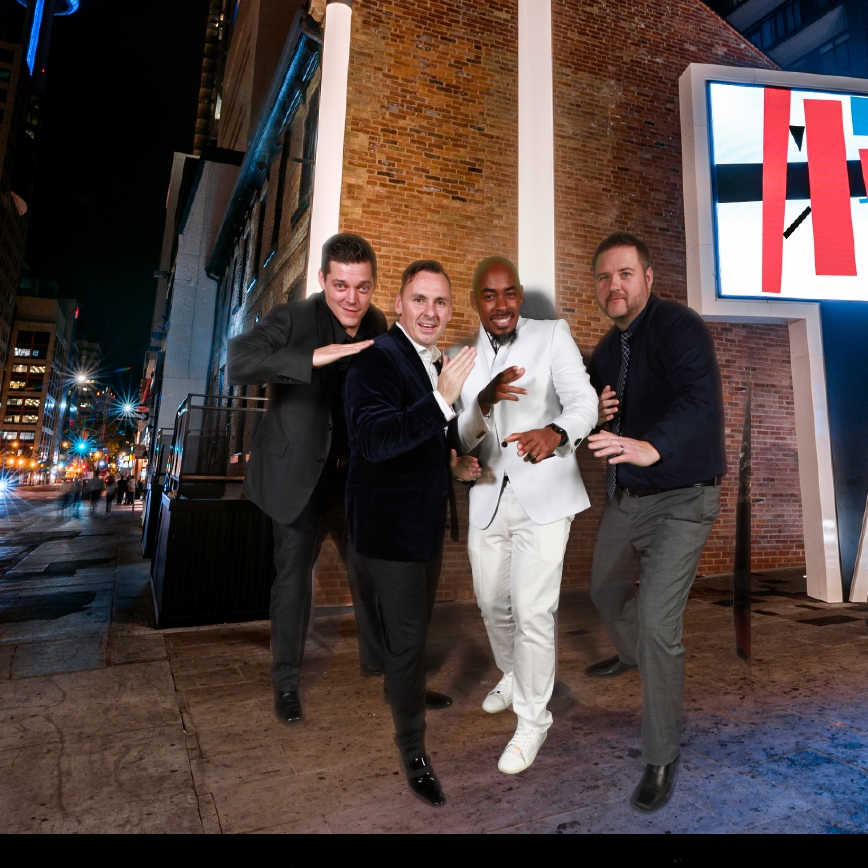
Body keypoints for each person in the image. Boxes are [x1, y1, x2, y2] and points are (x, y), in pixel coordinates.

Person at [583, 232, 726, 815]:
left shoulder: (678, 327)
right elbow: (585, 411)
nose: (613, 285)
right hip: (628, 500)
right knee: (604, 590)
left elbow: (699, 401)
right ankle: (635, 654)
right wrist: (592, 412)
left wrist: (651, 446)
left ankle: (661, 755)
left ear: (647, 277)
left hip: (682, 500)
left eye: (624, 274)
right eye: (603, 277)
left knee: (658, 624)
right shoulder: (604, 350)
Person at [227, 233, 395, 727]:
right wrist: (311, 358)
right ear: (323, 280)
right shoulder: (293, 318)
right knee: (293, 582)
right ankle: (285, 683)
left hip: (351, 480)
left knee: (371, 572)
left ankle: (384, 667)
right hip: (299, 479)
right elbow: (237, 360)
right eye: (341, 286)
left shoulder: (378, 324)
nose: (352, 299)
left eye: (362, 287)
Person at [342, 260, 481, 808]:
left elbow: (420, 441)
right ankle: (413, 750)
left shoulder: (430, 362)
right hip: (389, 530)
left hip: (423, 524)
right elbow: (376, 441)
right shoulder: (375, 359)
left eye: (440, 302)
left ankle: (404, 689)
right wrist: (442, 398)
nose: (430, 311)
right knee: (407, 640)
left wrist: (453, 466)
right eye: (419, 299)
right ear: (398, 304)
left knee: (415, 631)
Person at [454, 256, 598, 775]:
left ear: (518, 295)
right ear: (476, 300)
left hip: (546, 495)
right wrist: (483, 402)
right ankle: (514, 672)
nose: (502, 304)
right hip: (488, 493)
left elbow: (584, 403)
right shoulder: (462, 358)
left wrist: (555, 433)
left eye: (509, 292)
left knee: (534, 611)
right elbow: (460, 433)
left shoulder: (552, 335)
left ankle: (533, 720)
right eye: (489, 295)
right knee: (493, 603)